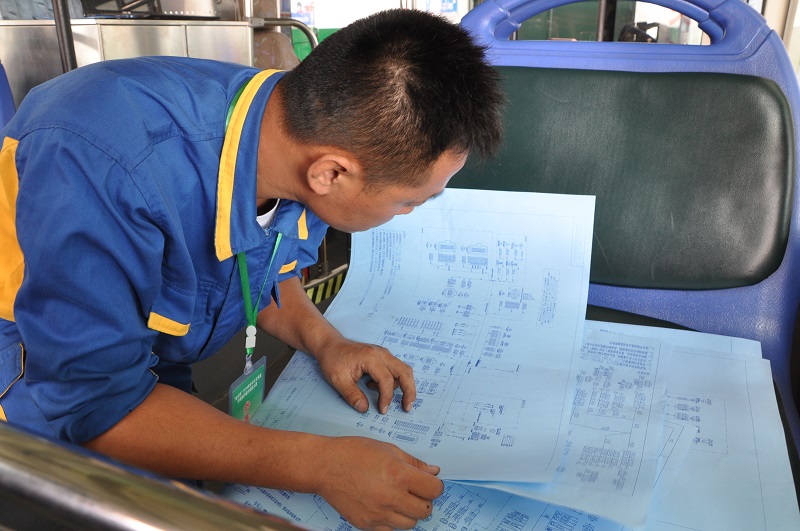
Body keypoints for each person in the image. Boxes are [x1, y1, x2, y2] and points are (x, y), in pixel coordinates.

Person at [0, 8, 504, 530]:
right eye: (409, 201)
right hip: (34, 374)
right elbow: (95, 409)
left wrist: (326, 341)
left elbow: (267, 262)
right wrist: (319, 465)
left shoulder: (289, 121)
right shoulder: (102, 165)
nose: (410, 214)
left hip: (146, 365)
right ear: (331, 173)